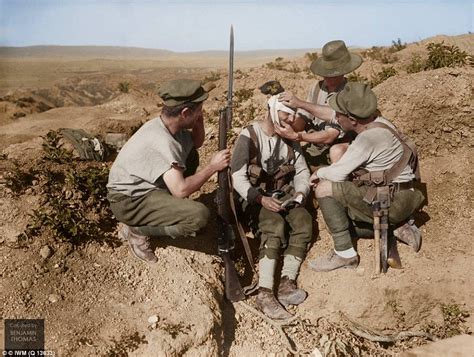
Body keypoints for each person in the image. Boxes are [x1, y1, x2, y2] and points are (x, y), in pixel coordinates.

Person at [107, 79, 230, 263]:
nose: (201, 113)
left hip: (142, 189)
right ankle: (137, 230)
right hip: (129, 202)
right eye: (198, 110)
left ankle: (167, 211)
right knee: (198, 216)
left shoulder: (170, 126)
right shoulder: (162, 141)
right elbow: (180, 191)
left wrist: (198, 120)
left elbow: (196, 143)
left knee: (191, 156)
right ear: (185, 112)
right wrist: (212, 167)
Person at [308, 82, 425, 272]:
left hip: (391, 202)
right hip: (406, 195)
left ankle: (344, 254)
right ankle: (397, 228)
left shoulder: (367, 139)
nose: (335, 117)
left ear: (353, 119)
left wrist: (318, 173)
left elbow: (338, 174)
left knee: (324, 188)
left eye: (339, 114)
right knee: (344, 220)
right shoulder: (380, 122)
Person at [231, 95, 312, 320]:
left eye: (293, 114)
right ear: (273, 110)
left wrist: (300, 192)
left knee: (303, 221)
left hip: (282, 195)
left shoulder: (289, 138)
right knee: (273, 225)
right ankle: (265, 292)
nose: (291, 118)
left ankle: (287, 283)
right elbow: (237, 177)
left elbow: (302, 171)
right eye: (287, 113)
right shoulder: (249, 135)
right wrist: (259, 199)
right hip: (254, 198)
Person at [276, 40, 363, 167]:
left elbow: (330, 136)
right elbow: (304, 117)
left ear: (344, 71)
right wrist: (288, 123)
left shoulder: (350, 93)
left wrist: (297, 136)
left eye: (333, 74)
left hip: (340, 148)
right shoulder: (317, 88)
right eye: (326, 73)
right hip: (315, 145)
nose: (327, 78)